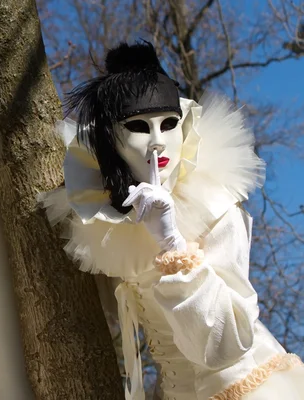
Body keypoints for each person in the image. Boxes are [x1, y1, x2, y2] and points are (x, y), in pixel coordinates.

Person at [41, 41, 304, 400]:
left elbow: (227, 346)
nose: (157, 143)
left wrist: (173, 246)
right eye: (138, 127)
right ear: (111, 140)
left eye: (169, 124)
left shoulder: (213, 205)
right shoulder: (101, 221)